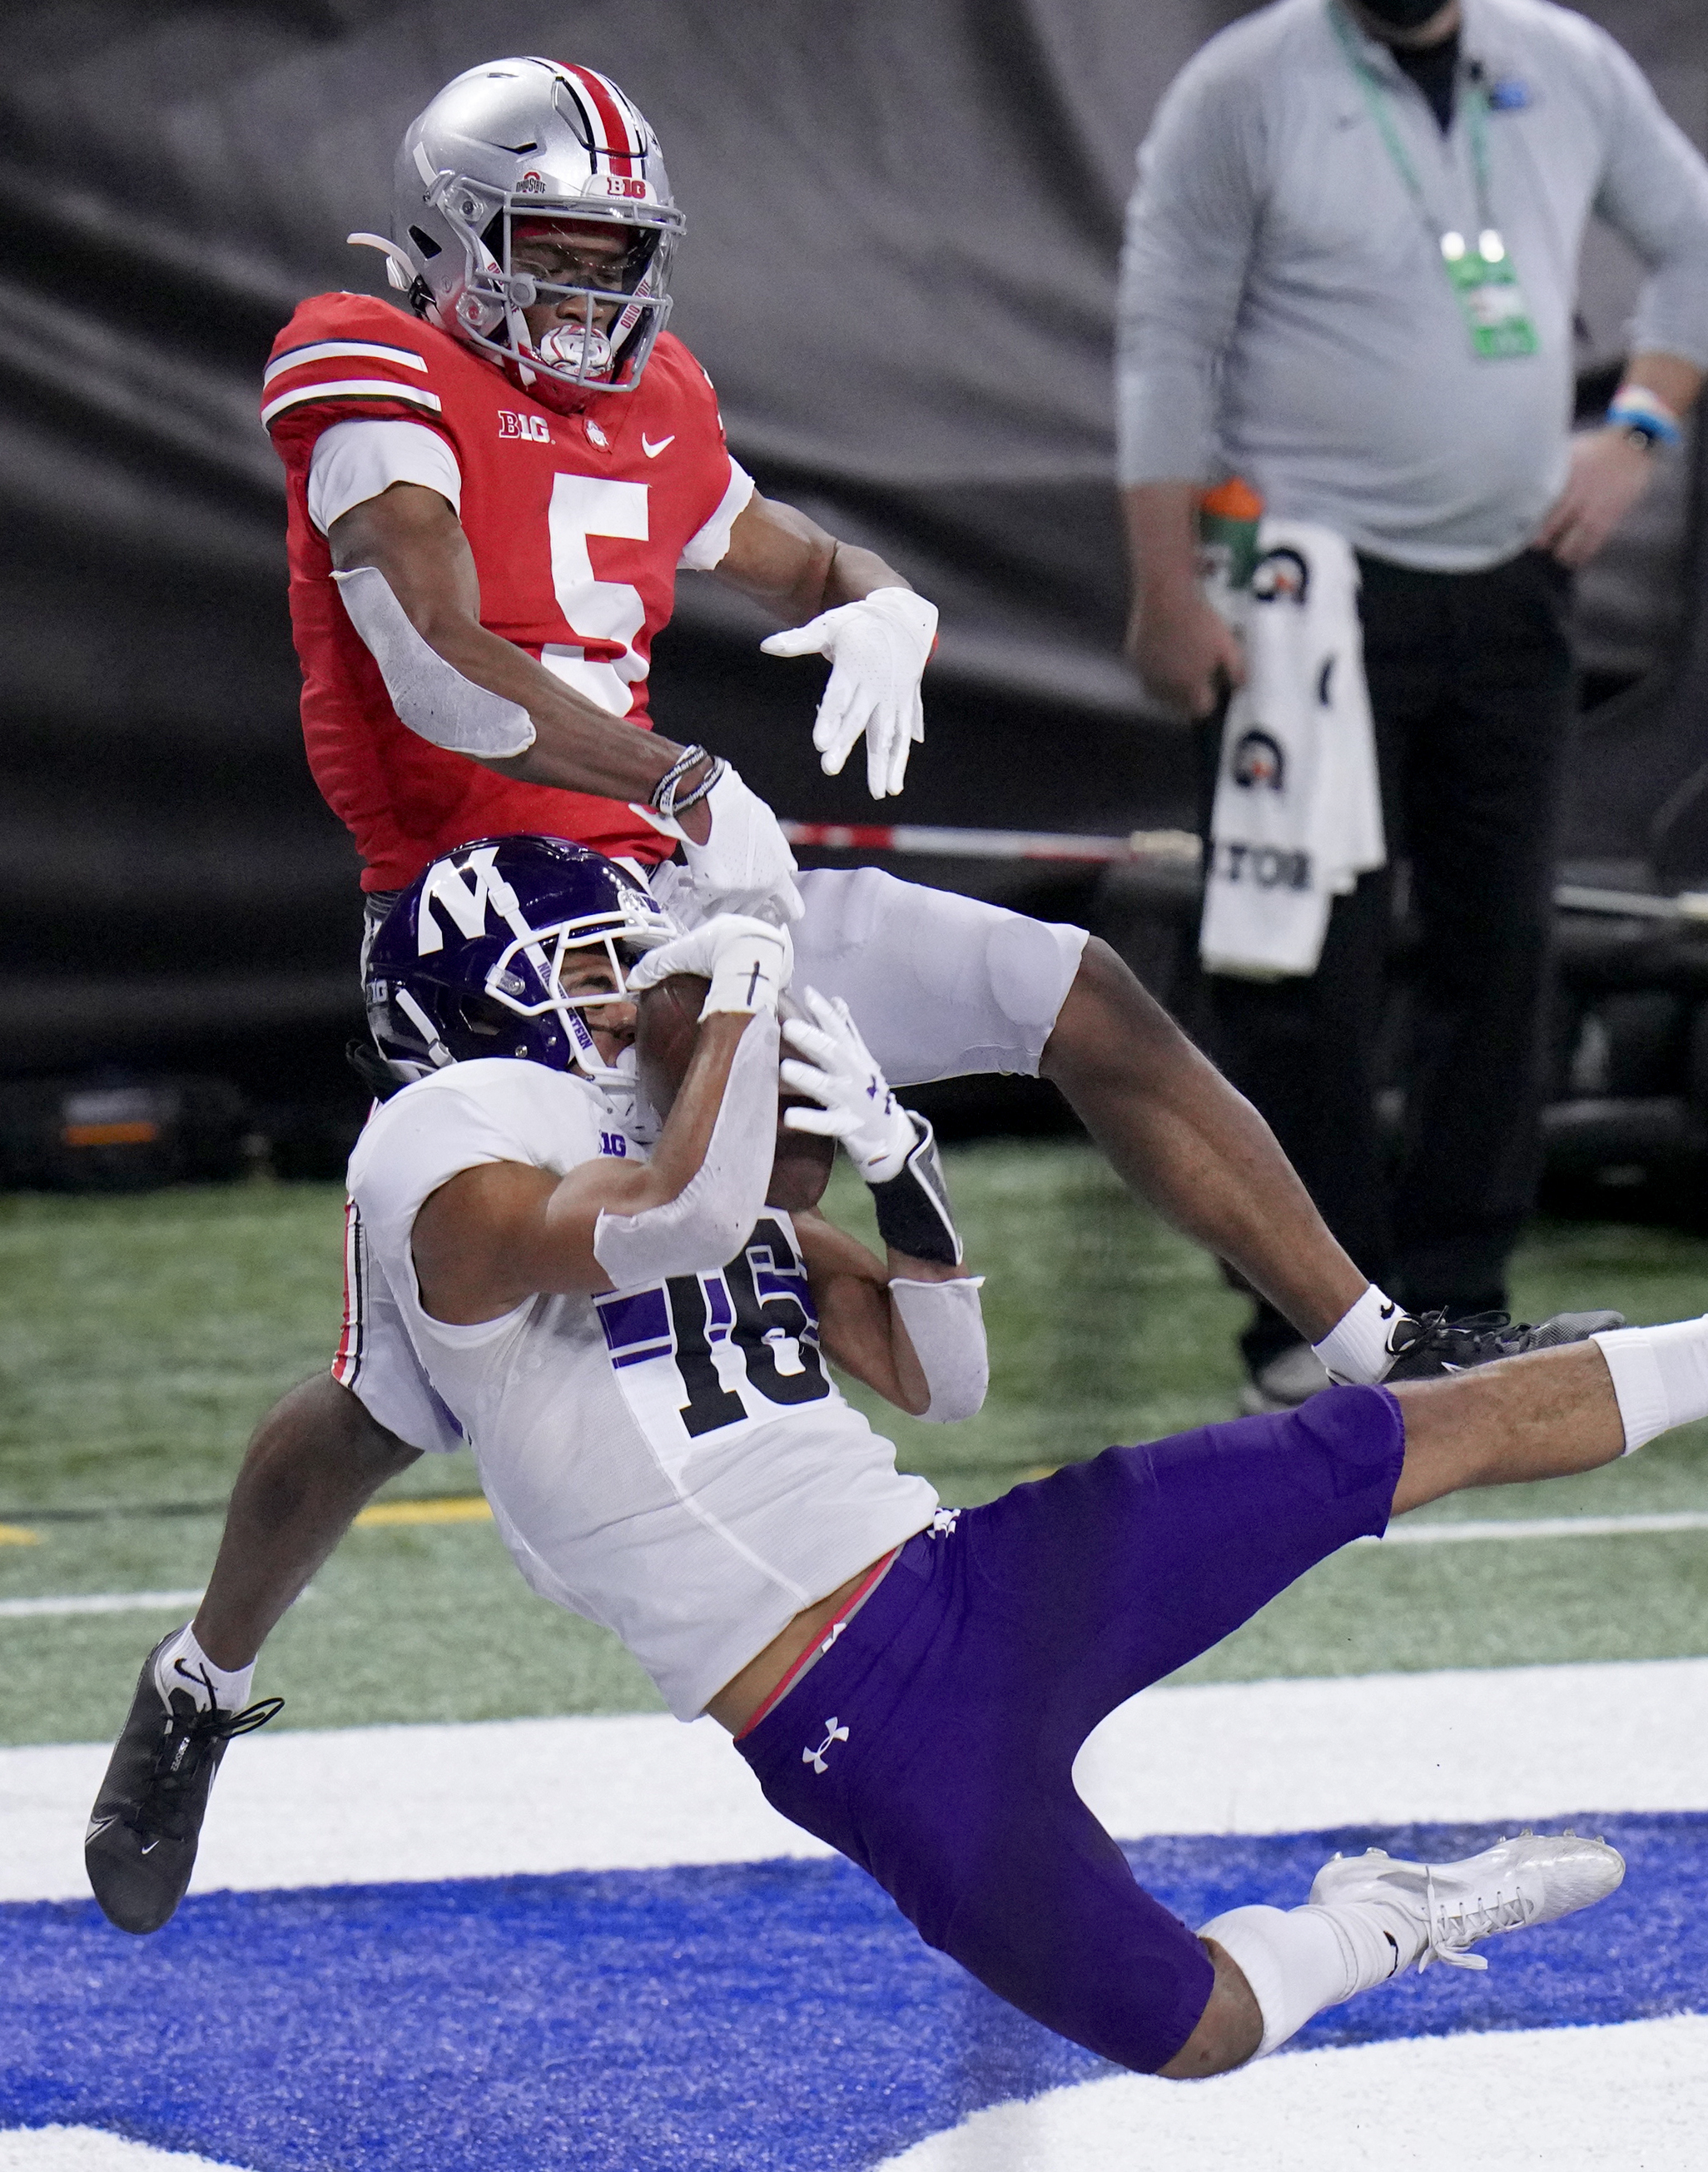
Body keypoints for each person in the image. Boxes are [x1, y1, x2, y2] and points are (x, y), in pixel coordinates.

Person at [82, 832, 1708, 2079]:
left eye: (623, 964)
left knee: (1404, 1439)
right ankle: (1386, 1918)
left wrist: (908, 1177)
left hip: (975, 1575)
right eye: (586, 970)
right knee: (1198, 2029)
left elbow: (949, 1376)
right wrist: (743, 982)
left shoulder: (673, 1170)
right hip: (855, 1727)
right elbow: (645, 1220)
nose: (614, 995)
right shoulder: (447, 1155)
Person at [219, 55, 1566, 1616]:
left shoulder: (659, 403)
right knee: (425, 1372)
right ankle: (210, 1672)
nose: (587, 295)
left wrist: (881, 601)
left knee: (1080, 998)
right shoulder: (362, 361)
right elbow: (435, 665)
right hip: (479, 897)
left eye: (614, 258)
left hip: (672, 872)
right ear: (453, 237)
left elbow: (799, 559)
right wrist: (681, 779)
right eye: (550, 252)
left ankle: (1380, 1347)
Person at [1114, 0, 1708, 1408]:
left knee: (1501, 944)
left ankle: (1459, 1299)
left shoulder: (1561, 63)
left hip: (1513, 581)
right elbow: (1167, 341)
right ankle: (1314, 1316)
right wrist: (1167, 586)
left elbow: (1705, 243)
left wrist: (1636, 429)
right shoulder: (1247, 86)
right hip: (1298, 594)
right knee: (1295, 960)